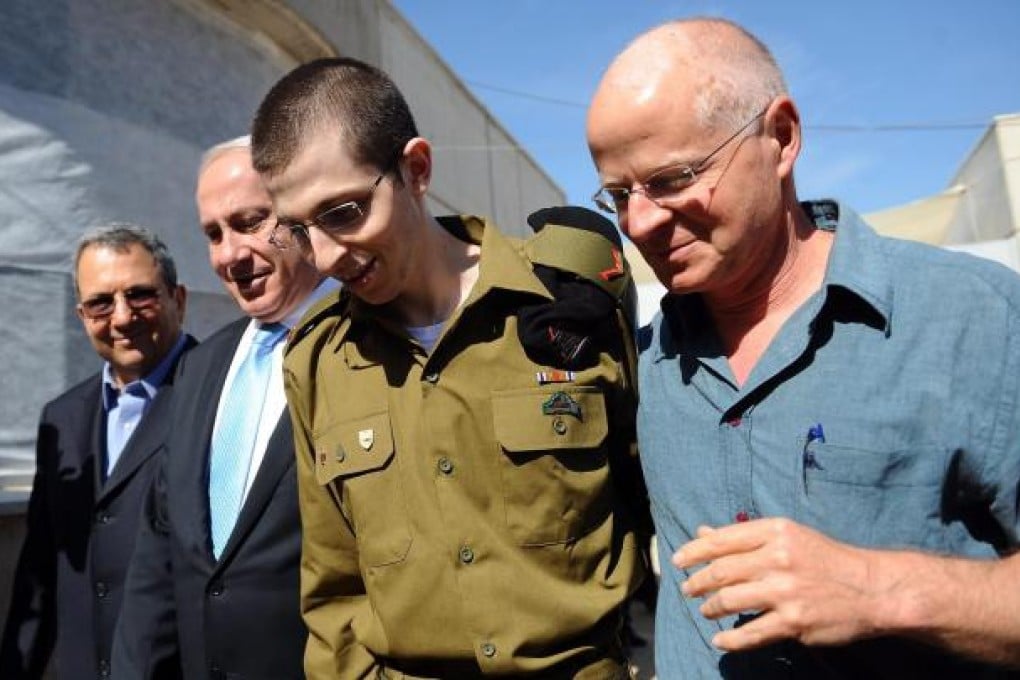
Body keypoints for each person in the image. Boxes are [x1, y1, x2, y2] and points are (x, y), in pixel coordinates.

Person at [586, 16, 1020, 679]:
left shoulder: (976, 317)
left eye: (673, 178)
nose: (638, 223)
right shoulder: (642, 362)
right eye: (619, 195)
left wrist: (877, 589)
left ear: (781, 137)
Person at [249, 57, 648, 678]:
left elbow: (652, 505)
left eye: (344, 212)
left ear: (416, 169)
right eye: (299, 230)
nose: (324, 257)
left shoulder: (568, 303)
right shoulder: (317, 360)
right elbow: (334, 590)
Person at [111, 137, 335, 679]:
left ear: (301, 214)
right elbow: (159, 557)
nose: (229, 256)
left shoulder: (371, 346)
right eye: (213, 234)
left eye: (249, 222)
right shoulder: (199, 367)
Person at [0, 224, 193, 679]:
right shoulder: (63, 418)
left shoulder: (217, 395)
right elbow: (42, 564)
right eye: (101, 303)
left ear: (178, 299)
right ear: (82, 315)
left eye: (140, 295)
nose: (122, 318)